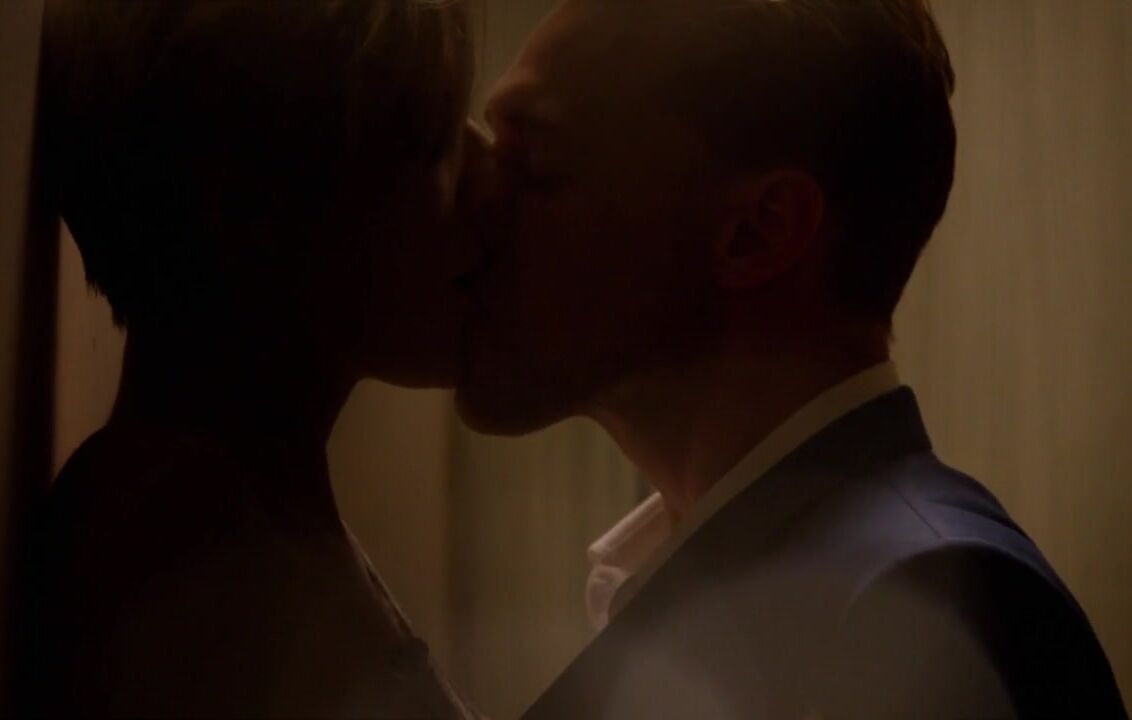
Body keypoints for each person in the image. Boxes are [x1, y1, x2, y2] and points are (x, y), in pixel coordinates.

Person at [456, 0, 1129, 717]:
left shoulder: (918, 606)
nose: (476, 209)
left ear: (757, 231)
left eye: (536, 166)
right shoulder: (814, 591)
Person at [24, 1, 486, 716]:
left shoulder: (244, 508)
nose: (487, 169)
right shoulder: (187, 554)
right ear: (287, 205)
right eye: (435, 146)